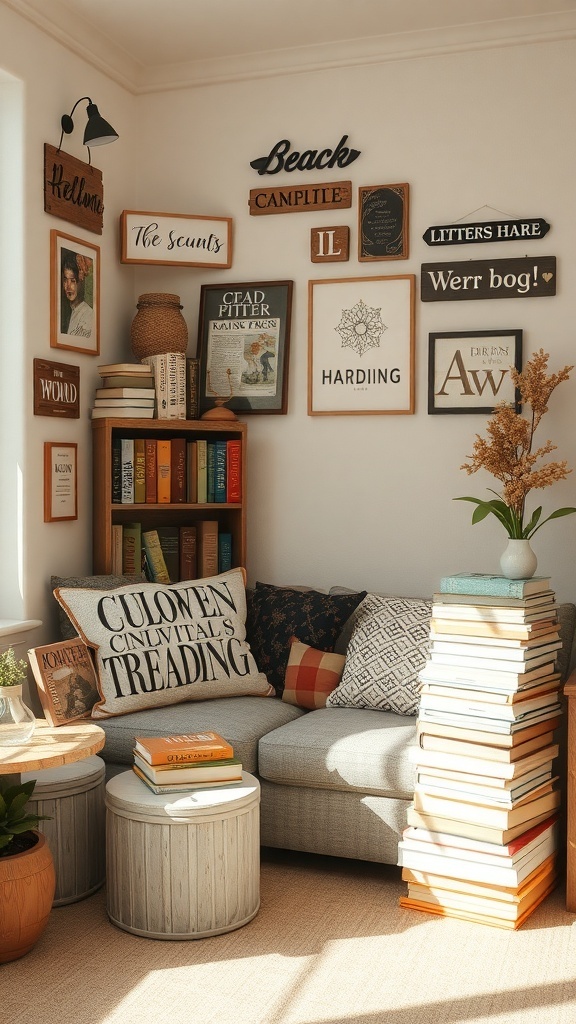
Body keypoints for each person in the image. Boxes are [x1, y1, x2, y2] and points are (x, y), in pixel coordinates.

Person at [61, 250, 93, 338]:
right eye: (65, 280)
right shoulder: (68, 314)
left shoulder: (88, 315)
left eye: (72, 281)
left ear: (80, 281)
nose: (68, 286)